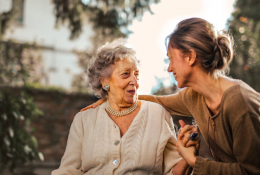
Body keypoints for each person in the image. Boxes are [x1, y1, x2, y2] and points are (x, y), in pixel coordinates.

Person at [82, 18, 260, 175]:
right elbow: (158, 101)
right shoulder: (194, 96)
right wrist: (112, 98)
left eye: (171, 59)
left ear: (190, 57)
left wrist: (193, 161)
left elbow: (251, 171)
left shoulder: (240, 103)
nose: (169, 68)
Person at [52, 39, 200, 175]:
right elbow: (68, 171)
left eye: (136, 74)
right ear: (104, 81)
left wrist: (188, 157)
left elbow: (173, 171)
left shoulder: (158, 114)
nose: (134, 81)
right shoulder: (84, 120)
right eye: (126, 74)